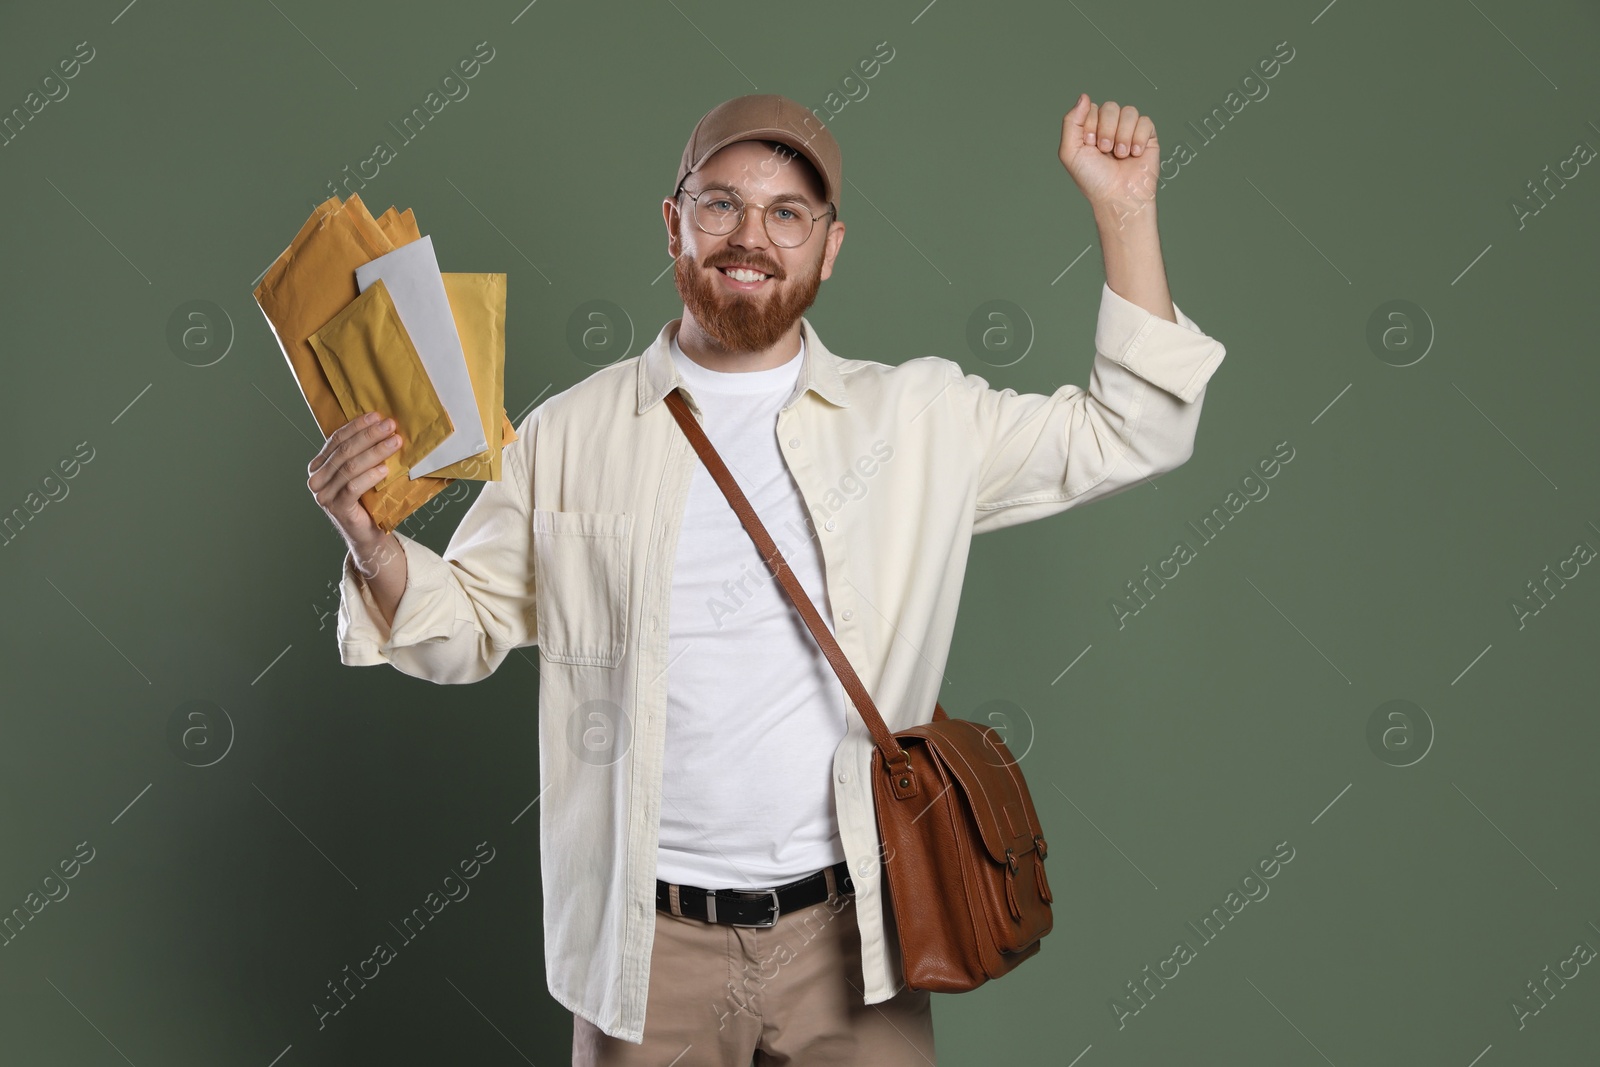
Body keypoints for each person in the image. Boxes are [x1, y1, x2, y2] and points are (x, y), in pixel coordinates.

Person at [307, 92, 1226, 1065]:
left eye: (788, 212)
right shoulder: (566, 434)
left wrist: (1124, 212)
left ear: (829, 246)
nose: (751, 236)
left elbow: (1137, 429)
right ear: (673, 221)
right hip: (643, 955)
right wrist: (369, 540)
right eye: (720, 204)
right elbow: (464, 631)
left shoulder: (917, 419)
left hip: (857, 943)